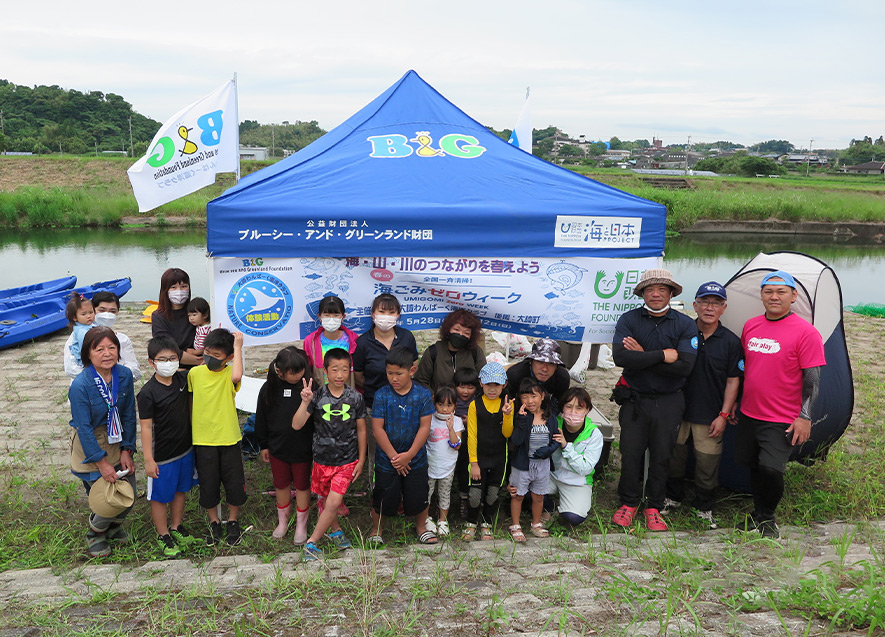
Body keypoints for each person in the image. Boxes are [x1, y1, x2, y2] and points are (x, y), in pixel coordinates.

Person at [737, 270, 825, 538]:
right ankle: (757, 513)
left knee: (770, 468)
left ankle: (767, 517)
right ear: (762, 295)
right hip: (749, 412)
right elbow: (748, 367)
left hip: (782, 417)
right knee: (754, 465)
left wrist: (805, 417)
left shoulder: (806, 332)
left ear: (793, 296)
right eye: (768, 292)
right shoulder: (750, 326)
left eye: (781, 292)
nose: (774, 297)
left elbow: (812, 381)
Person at [611, 268, 697, 532]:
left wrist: (642, 355)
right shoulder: (629, 320)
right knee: (630, 453)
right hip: (635, 399)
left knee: (662, 455)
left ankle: (654, 506)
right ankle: (628, 502)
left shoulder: (685, 324)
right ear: (642, 294)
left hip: (670, 401)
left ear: (671, 293)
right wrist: (661, 355)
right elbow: (621, 358)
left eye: (662, 289)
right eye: (650, 289)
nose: (656, 294)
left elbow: (684, 367)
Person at [664, 282, 743, 529]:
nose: (710, 308)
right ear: (695, 305)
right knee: (674, 457)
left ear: (724, 308)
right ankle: (672, 497)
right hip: (677, 409)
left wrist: (724, 414)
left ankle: (704, 506)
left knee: (708, 462)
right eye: (705, 302)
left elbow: (733, 380)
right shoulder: (682, 332)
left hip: (711, 414)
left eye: (716, 303)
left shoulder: (731, 342)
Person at [291, 348, 367, 560]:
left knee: (333, 503)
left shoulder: (355, 398)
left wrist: (361, 459)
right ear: (325, 371)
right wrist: (305, 402)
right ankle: (335, 531)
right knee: (325, 501)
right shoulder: (317, 397)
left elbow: (362, 429)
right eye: (335, 369)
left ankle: (312, 542)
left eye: (344, 369)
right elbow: (296, 425)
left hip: (347, 460)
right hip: (322, 460)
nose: (340, 375)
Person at [68, 326, 137, 558]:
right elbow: (83, 428)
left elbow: (128, 413)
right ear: (88, 354)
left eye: (112, 347)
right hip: (92, 443)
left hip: (117, 439)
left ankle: (113, 528)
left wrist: (127, 449)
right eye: (99, 349)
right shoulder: (80, 385)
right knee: (106, 496)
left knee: (129, 492)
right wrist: (101, 463)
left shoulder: (124, 375)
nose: (107, 353)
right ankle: (95, 534)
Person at [367, 347, 436, 545]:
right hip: (387, 460)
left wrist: (409, 455)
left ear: (412, 370)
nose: (394, 378)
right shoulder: (382, 395)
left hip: (416, 459)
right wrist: (395, 457)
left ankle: (421, 527)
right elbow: (377, 428)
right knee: (382, 495)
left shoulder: (422, 395)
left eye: (399, 373)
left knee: (419, 495)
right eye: (390, 373)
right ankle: (377, 529)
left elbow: (425, 427)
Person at [137, 336, 199, 557]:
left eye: (173, 358)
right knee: (160, 497)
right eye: (162, 359)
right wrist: (149, 459)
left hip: (185, 450)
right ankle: (163, 534)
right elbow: (146, 428)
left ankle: (176, 526)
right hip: (162, 456)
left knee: (181, 490)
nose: (168, 363)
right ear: (151, 362)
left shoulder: (183, 380)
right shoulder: (147, 393)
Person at [188, 328, 246, 546]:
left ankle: (232, 520)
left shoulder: (229, 374)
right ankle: (214, 522)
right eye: (207, 352)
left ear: (229, 357)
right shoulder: (195, 374)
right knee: (208, 483)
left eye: (217, 355)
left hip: (229, 438)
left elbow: (237, 376)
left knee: (234, 483)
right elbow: (191, 402)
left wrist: (238, 347)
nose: (210, 358)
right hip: (203, 439)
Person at [255, 346, 313, 544]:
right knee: (281, 484)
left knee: (302, 485)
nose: (297, 376)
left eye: (300, 371)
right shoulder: (269, 389)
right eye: (292, 372)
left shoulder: (309, 388)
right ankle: (283, 522)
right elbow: (261, 418)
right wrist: (263, 444)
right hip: (277, 447)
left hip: (303, 448)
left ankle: (301, 524)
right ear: (279, 371)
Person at [463, 362, 514, 541]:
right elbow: (471, 435)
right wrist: (474, 463)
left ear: (504, 385)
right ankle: (471, 523)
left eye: (497, 385)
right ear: (481, 383)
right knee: (475, 495)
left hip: (499, 458)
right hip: (479, 458)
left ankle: (487, 523)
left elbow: (507, 433)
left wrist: (507, 415)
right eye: (488, 384)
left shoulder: (507, 405)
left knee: (492, 494)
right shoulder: (474, 405)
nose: (492, 389)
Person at [508, 378, 560, 542]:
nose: (530, 401)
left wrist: (548, 450)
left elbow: (556, 439)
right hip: (523, 464)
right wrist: (521, 421)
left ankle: (536, 523)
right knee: (518, 495)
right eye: (525, 397)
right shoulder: (521, 417)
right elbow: (516, 441)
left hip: (542, 464)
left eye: (534, 396)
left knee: (539, 496)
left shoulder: (550, 418)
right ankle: (515, 525)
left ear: (542, 396)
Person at [549, 387, 604, 527]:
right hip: (551, 475)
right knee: (526, 494)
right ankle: (549, 506)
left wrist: (566, 446)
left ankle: (564, 507)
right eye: (569, 407)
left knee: (574, 517)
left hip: (577, 480)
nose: (573, 412)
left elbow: (585, 468)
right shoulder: (554, 424)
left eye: (579, 408)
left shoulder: (594, 434)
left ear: (587, 410)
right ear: (562, 408)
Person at [353, 293, 419, 410]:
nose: (386, 316)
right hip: (374, 405)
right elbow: (358, 378)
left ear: (398, 315)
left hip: (405, 403)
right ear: (373, 314)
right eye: (382, 312)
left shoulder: (406, 337)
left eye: (391, 312)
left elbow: (414, 365)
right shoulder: (362, 343)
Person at [64, 291, 141, 382]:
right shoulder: (77, 336)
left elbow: (135, 371)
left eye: (112, 311)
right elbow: (71, 369)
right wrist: (101, 377)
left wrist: (114, 376)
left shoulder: (123, 339)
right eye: (102, 310)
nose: (107, 315)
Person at [425, 385, 464, 538]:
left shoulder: (457, 421)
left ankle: (442, 521)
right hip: (430, 464)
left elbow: (456, 445)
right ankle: (426, 518)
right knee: (427, 493)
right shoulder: (429, 419)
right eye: (440, 404)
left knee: (444, 493)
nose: (444, 409)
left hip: (448, 466)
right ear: (434, 403)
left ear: (455, 405)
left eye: (449, 405)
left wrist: (450, 428)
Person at [414, 309, 486, 391]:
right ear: (448, 329)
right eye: (456, 330)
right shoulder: (433, 352)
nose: (460, 334)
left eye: (466, 333)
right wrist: (434, 396)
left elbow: (484, 380)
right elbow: (421, 381)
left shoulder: (475, 352)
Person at [302, 296, 359, 386]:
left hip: (347, 391)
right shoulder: (310, 341)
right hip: (321, 391)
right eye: (326, 315)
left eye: (336, 315)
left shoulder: (352, 339)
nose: (331, 319)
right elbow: (307, 369)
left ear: (343, 317)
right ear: (319, 317)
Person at [152, 268, 201, 367]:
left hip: (202, 367)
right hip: (174, 367)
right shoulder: (158, 317)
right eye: (173, 287)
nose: (179, 291)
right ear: (165, 290)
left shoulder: (198, 311)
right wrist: (201, 361)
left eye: (184, 286)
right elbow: (168, 350)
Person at [506, 338, 571, 412]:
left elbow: (558, 404)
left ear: (556, 366)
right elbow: (507, 401)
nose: (545, 369)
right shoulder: (515, 375)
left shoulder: (562, 378)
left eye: (551, 364)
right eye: (540, 362)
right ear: (530, 361)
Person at [453, 366, 480, 518]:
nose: (465, 391)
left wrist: (470, 420)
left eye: (470, 388)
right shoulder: (452, 400)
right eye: (462, 387)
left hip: (472, 443)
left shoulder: (477, 401)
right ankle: (460, 497)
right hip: (454, 442)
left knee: (467, 469)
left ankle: (469, 499)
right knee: (459, 469)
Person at [65, 292, 95, 364]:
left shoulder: (91, 325)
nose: (89, 316)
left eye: (91, 312)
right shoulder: (82, 331)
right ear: (74, 317)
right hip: (85, 358)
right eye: (83, 314)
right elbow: (84, 348)